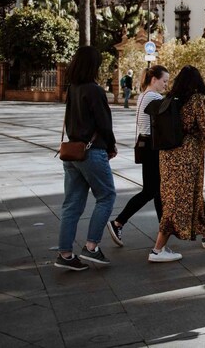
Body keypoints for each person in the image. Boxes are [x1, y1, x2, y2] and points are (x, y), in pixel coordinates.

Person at [149, 66, 205, 262]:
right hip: (187, 158)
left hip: (167, 157)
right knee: (178, 202)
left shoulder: (172, 99)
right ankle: (157, 250)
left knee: (188, 196)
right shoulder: (198, 100)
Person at [55, 46, 117, 271]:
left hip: (72, 153)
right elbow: (104, 124)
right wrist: (111, 146)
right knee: (107, 196)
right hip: (92, 152)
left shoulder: (73, 88)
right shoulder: (94, 90)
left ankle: (65, 253)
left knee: (71, 205)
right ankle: (91, 247)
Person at [107, 66, 169, 247]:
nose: (166, 85)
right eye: (164, 81)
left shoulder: (143, 95)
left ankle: (163, 232)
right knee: (151, 191)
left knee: (157, 192)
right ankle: (118, 222)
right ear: (153, 80)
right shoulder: (154, 97)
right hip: (152, 147)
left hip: (145, 145)